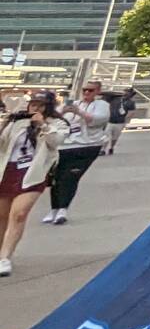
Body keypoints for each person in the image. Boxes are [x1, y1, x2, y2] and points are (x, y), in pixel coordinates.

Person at [1, 91, 67, 276]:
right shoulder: (17, 121)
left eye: (41, 105)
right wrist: (8, 120)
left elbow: (56, 142)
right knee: (2, 216)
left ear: (49, 107)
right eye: (34, 104)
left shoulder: (57, 124)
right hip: (8, 171)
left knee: (19, 214)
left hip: (33, 173)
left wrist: (42, 125)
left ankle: (5, 257)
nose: (36, 108)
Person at [46, 79, 111, 226]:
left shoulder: (101, 105)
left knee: (70, 177)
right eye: (84, 90)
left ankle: (63, 209)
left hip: (87, 146)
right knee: (56, 178)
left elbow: (98, 120)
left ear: (98, 92)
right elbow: (52, 120)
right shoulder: (73, 104)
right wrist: (63, 111)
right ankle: (54, 209)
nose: (86, 93)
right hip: (65, 146)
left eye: (91, 90)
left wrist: (79, 112)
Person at [103, 85, 137, 154]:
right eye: (126, 91)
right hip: (110, 121)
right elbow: (106, 95)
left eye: (129, 92)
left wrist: (124, 118)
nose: (126, 93)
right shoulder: (115, 98)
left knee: (115, 137)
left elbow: (131, 112)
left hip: (120, 122)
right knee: (106, 135)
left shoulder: (131, 102)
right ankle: (103, 150)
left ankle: (111, 147)